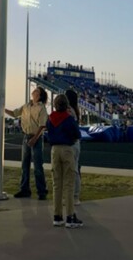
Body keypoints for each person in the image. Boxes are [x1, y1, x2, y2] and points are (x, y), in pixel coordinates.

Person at [46, 93, 82, 228]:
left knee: (57, 183)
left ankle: (57, 215)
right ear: (66, 105)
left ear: (55, 105)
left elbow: (48, 131)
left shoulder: (50, 119)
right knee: (69, 183)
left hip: (54, 150)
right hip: (67, 149)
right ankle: (70, 216)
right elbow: (77, 134)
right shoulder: (69, 119)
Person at [5, 87, 48, 200]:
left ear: (39, 95)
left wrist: (35, 138)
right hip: (26, 136)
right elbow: (15, 114)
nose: (33, 91)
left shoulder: (41, 108)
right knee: (25, 165)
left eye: (36, 91)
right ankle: (25, 189)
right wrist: (3, 109)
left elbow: (42, 125)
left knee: (38, 165)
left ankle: (42, 191)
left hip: (36, 138)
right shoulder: (26, 106)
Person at [66, 89, 81, 205]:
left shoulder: (69, 111)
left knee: (72, 170)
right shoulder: (75, 110)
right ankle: (75, 196)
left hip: (71, 142)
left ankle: (74, 196)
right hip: (75, 143)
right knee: (74, 170)